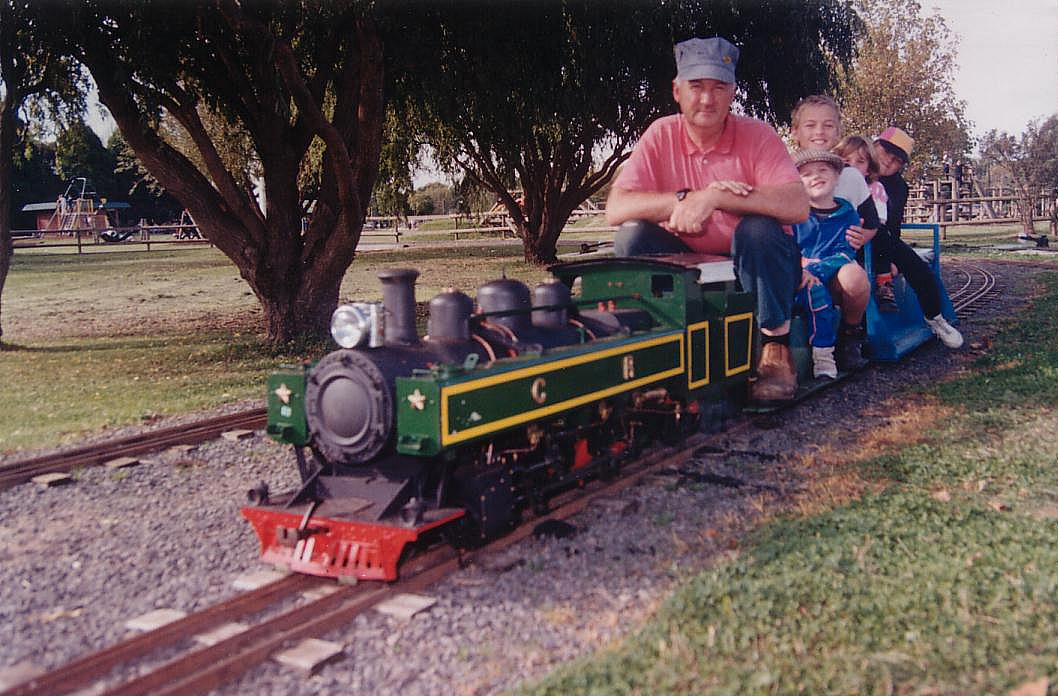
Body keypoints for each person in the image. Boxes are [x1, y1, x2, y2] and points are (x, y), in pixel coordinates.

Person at [605, 36, 809, 402]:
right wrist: (684, 200)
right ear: (677, 91)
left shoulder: (759, 135)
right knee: (631, 236)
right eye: (696, 86)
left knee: (759, 230)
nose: (707, 99)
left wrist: (717, 197)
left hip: (759, 264)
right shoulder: (660, 134)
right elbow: (616, 209)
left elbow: (798, 205)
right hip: (692, 260)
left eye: (719, 88)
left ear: (733, 93)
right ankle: (660, 340)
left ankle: (775, 348)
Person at [788, 95, 875, 368]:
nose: (819, 132)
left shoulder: (850, 175)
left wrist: (861, 237)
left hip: (836, 263)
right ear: (795, 132)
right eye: (810, 125)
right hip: (799, 263)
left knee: (855, 278)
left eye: (827, 125)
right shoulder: (784, 172)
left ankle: (850, 334)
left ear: (838, 132)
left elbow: (871, 222)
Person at [874, 127, 963, 348]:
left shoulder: (899, 187)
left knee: (921, 271)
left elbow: (893, 226)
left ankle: (934, 317)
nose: (889, 161)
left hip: (885, 239)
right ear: (874, 146)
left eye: (897, 160)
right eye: (886, 152)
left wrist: (889, 259)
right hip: (853, 237)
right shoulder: (854, 170)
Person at [790, 149, 862, 379]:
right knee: (813, 290)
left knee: (819, 291)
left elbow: (845, 252)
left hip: (827, 277)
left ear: (837, 177)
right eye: (806, 174)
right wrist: (800, 270)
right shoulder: (794, 213)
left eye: (823, 170)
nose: (816, 176)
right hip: (796, 278)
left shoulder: (847, 213)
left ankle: (824, 356)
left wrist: (815, 269)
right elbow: (787, 247)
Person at [833, 135, 898, 311]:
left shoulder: (874, 188)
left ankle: (884, 282)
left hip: (865, 238)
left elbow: (878, 219)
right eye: (846, 161)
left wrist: (861, 231)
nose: (852, 166)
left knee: (882, 234)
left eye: (860, 162)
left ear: (869, 169)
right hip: (838, 238)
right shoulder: (832, 186)